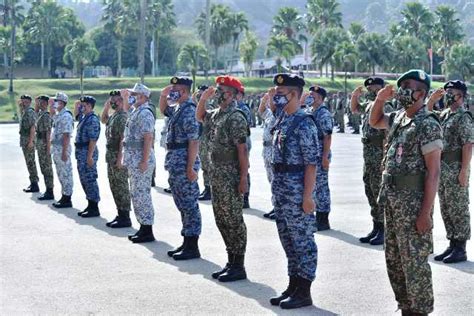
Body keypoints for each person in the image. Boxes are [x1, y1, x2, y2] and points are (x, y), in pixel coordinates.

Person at [370, 69, 442, 315]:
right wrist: (379, 99)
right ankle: (406, 307)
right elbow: (374, 121)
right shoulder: (399, 117)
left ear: (421, 92)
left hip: (413, 207)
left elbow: (433, 173)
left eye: (407, 86)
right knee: (395, 260)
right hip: (393, 203)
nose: (401, 91)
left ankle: (419, 310)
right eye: (400, 86)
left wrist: (425, 214)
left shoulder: (427, 124)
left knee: (414, 263)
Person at [268, 74, 319, 309]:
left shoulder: (304, 122)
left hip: (298, 190)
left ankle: (304, 291)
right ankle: (293, 284)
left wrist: (308, 197)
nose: (278, 95)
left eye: (283, 92)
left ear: (296, 95)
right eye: (277, 91)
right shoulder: (283, 119)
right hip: (281, 190)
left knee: (302, 241)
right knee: (288, 240)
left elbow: (311, 164)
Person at [196, 75, 249, 282]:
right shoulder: (216, 114)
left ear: (234, 95)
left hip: (231, 175)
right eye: (218, 90)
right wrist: (203, 99)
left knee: (234, 219)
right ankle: (231, 260)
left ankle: (239, 265)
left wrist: (243, 178)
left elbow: (242, 151)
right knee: (221, 219)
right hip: (216, 174)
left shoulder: (235, 117)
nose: (219, 94)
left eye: (223, 91)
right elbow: (200, 116)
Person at [427, 80, 472, 264]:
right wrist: (432, 100)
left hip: (455, 167)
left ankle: (460, 247)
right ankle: (452, 243)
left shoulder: (463, 117)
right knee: (446, 207)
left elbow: (468, 145)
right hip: (443, 167)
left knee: (458, 207)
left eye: (451, 92)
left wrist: (464, 171)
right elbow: (427, 114)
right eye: (446, 92)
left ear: (460, 96)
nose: (447, 95)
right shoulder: (446, 114)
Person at [160, 76, 202, 260]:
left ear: (184, 91)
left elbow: (194, 141)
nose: (172, 91)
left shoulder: (189, 110)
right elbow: (164, 110)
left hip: (185, 162)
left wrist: (191, 167)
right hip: (176, 162)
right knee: (181, 203)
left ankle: (192, 245)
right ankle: (186, 240)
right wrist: (163, 95)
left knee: (190, 204)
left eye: (175, 89)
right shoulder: (179, 109)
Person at [351, 77, 394, 245]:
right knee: (370, 190)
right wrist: (355, 96)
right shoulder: (370, 105)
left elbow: (387, 134)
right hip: (368, 154)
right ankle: (376, 226)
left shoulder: (386, 106)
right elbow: (355, 109)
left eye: (375, 88)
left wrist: (385, 158)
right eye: (369, 88)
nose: (371, 91)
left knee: (378, 192)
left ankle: (383, 229)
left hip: (379, 155)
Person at [122, 83, 156, 243]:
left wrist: (144, 160)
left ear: (143, 97)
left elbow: (148, 137)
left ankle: (147, 229)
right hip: (134, 159)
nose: (132, 96)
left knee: (142, 194)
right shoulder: (136, 111)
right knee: (136, 193)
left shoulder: (145, 113)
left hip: (141, 160)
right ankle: (142, 226)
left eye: (135, 94)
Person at [304, 85, 333, 231]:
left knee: (321, 188)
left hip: (321, 153)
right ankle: (316, 217)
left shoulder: (323, 113)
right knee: (314, 187)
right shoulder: (310, 111)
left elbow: (327, 136)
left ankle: (323, 219)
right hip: (313, 154)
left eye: (313, 96)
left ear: (320, 98)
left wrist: (325, 157)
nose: (310, 97)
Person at [101, 90, 132, 228]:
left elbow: (122, 140)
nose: (113, 102)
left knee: (121, 186)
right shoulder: (115, 116)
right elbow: (103, 119)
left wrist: (120, 158)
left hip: (117, 155)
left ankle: (125, 216)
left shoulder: (122, 117)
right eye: (111, 99)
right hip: (111, 155)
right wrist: (107, 106)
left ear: (121, 101)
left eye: (115, 100)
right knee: (114, 185)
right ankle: (120, 213)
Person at [74, 96, 101, 218]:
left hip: (87, 151)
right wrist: (78, 105)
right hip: (81, 151)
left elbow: (93, 139)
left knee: (90, 178)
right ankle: (90, 204)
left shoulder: (93, 120)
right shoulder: (84, 117)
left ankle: (94, 206)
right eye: (81, 105)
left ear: (90, 106)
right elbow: (76, 113)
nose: (81, 107)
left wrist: (90, 156)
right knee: (84, 178)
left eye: (84, 105)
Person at [51, 92, 74, 208]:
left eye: (56, 101)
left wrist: (64, 152)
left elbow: (66, 135)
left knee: (65, 173)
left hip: (62, 148)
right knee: (60, 172)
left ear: (62, 103)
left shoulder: (66, 116)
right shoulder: (59, 114)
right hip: (57, 148)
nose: (54, 103)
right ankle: (64, 196)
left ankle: (67, 198)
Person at [258, 93, 277, 220]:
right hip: (267, 151)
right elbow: (261, 112)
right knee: (271, 181)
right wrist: (263, 100)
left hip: (274, 151)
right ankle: (275, 206)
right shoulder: (270, 114)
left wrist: (271, 98)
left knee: (276, 181)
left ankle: (279, 208)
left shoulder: (279, 114)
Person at [195, 85, 213, 201]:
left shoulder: (210, 106)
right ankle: (207, 188)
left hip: (209, 139)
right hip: (202, 139)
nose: (199, 95)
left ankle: (210, 188)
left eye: (201, 94)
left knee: (208, 166)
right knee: (204, 166)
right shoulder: (198, 106)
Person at [35, 95, 55, 201]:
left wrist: (48, 148)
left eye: (43, 102)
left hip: (44, 143)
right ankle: (47, 189)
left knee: (47, 168)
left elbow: (48, 132)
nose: (41, 104)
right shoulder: (40, 114)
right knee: (43, 167)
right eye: (40, 102)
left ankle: (50, 191)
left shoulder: (46, 115)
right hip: (39, 143)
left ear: (47, 104)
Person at [236, 87, 253, 209]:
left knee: (244, 168)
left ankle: (245, 198)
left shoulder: (243, 109)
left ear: (241, 96)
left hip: (243, 142)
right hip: (235, 142)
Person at [18, 94, 39, 193]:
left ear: (30, 102)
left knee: (31, 162)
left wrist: (31, 141)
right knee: (28, 162)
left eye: (26, 102)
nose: (24, 103)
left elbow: (32, 128)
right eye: (23, 101)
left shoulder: (30, 112)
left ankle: (35, 184)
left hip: (28, 140)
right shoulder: (24, 111)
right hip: (24, 140)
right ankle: (33, 182)